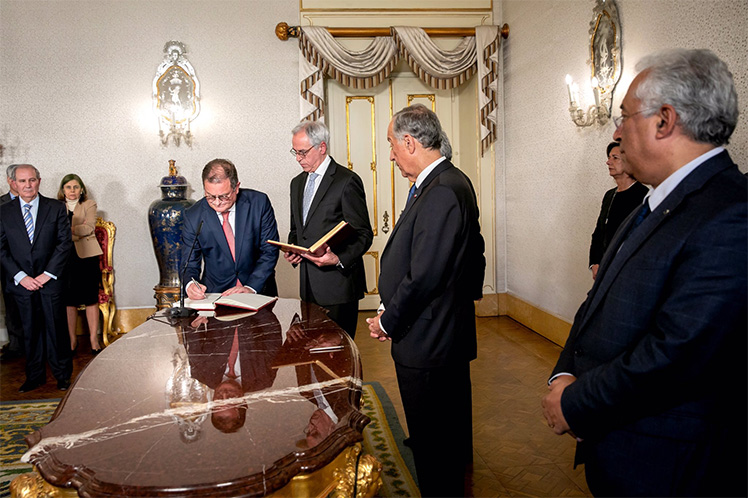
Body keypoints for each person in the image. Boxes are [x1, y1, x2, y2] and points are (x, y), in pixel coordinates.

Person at [542, 49, 747, 497]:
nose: (616, 132)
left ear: (664, 121)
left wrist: (576, 403)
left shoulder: (730, 214)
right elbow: (596, 303)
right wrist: (561, 375)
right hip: (618, 442)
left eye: (624, 116)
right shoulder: (654, 199)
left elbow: (677, 354)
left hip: (665, 463)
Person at [366, 104, 485, 497]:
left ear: (409, 142)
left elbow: (427, 274)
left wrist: (388, 319)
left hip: (430, 338)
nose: (390, 155)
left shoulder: (444, 190)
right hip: (434, 330)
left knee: (435, 448)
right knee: (440, 436)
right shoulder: (444, 183)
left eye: (391, 144)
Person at [283, 120, 373, 338]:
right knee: (312, 358)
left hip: (338, 287)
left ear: (321, 147)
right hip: (308, 287)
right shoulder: (297, 183)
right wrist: (293, 248)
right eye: (295, 152)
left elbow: (363, 233)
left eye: (302, 152)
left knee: (338, 358)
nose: (298, 158)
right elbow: (297, 229)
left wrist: (338, 258)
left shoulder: (347, 181)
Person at [0, 164, 73, 392]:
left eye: (31, 180)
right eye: (22, 181)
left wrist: (46, 275)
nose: (27, 185)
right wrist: (22, 277)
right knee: (29, 332)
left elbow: (64, 244)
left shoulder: (56, 208)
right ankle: (34, 377)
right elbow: (1, 249)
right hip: (21, 283)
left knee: (56, 329)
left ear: (39, 181)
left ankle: (62, 375)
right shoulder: (3, 212)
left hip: (50, 281)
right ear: (13, 183)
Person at [182, 159, 280, 300]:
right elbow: (189, 262)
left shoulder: (259, 203)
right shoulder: (193, 215)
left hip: (259, 290)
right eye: (210, 196)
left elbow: (269, 251)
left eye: (223, 196)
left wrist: (251, 287)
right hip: (216, 294)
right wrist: (190, 284)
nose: (217, 202)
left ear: (236, 187)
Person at [588, 142, 648, 279]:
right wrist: (595, 263)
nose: (608, 162)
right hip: (602, 269)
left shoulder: (644, 196)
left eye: (615, 158)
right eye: (609, 157)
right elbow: (599, 232)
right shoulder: (609, 195)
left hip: (625, 272)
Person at [58, 174, 103, 354]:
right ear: (62, 190)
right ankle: (72, 340)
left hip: (87, 257)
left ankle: (94, 339)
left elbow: (89, 228)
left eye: (76, 187)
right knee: (69, 301)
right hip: (65, 258)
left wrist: (67, 231)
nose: (72, 191)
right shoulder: (55, 206)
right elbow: (54, 232)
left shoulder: (89, 204)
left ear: (82, 189)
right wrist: (77, 231)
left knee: (91, 299)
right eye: (68, 187)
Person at [0, 164, 24, 360]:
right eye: (19, 180)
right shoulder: (1, 204)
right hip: (7, 264)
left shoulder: (37, 203)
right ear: (10, 181)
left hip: (33, 264)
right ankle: (16, 345)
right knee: (11, 306)